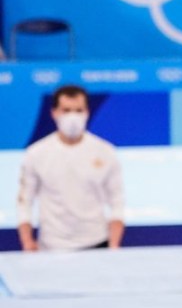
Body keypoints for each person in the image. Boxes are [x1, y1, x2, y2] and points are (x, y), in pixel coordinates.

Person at [16, 85, 125, 251]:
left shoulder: (106, 152)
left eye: (78, 110)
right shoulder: (36, 154)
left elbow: (117, 200)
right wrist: (27, 241)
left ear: (87, 112)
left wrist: (114, 244)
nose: (73, 116)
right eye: (66, 110)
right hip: (52, 245)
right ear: (54, 113)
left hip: (97, 243)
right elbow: (24, 200)